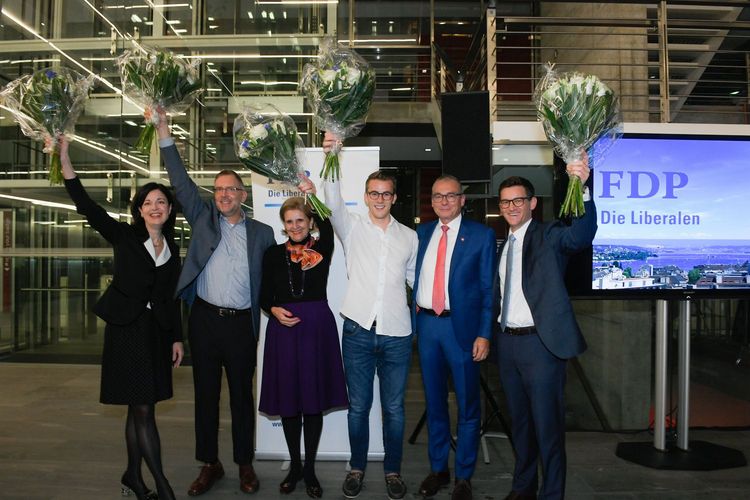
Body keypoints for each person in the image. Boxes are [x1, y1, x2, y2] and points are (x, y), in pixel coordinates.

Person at [155, 112, 276, 496]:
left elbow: (275, 279)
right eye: (219, 190)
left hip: (242, 325)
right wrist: (163, 131)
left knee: (242, 397)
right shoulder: (202, 217)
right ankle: (210, 463)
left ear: (243, 195)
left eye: (231, 190)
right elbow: (180, 180)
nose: (224, 195)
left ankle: (244, 464)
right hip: (204, 321)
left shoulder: (263, 233)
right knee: (205, 396)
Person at [60, 137, 183, 500]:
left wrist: (176, 337)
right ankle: (161, 484)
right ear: (139, 210)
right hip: (127, 330)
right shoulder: (124, 236)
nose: (155, 207)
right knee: (143, 408)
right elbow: (86, 205)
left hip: (155, 333)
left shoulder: (173, 247)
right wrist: (64, 157)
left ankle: (133, 475)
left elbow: (170, 296)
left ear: (170, 209)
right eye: (148, 203)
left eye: (161, 202)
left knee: (139, 407)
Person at [299, 133, 418, 500]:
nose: (380, 199)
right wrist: (331, 154)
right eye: (374, 193)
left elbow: (417, 282)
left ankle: (393, 471)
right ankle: (357, 468)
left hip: (397, 334)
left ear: (394, 198)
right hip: (358, 332)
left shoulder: (410, 237)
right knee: (359, 409)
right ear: (366, 197)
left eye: (386, 194)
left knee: (394, 409)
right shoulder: (349, 227)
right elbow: (332, 198)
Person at [495, 158, 596, 500]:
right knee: (520, 425)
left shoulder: (549, 235)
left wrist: (582, 188)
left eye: (518, 200)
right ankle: (523, 487)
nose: (511, 207)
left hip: (541, 346)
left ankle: (552, 494)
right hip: (508, 345)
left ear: (532, 203)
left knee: (547, 428)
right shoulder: (503, 245)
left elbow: (580, 235)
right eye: (505, 202)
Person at [257, 197, 348, 499]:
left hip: (316, 329)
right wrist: (273, 310)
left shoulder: (322, 248)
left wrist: (311, 196)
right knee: (289, 399)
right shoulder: (272, 254)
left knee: (312, 399)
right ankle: (295, 467)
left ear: (310, 222)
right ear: (283, 225)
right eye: (289, 221)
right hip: (283, 330)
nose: (295, 226)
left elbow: (328, 224)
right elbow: (263, 295)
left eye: (300, 220)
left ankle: (309, 470)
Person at [412, 175, 496, 500]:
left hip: (462, 330)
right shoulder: (421, 234)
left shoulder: (481, 235)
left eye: (451, 195)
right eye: (438, 196)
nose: (444, 201)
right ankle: (438, 470)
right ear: (431, 201)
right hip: (428, 328)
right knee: (434, 404)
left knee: (467, 406)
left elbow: (488, 289)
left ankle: (463, 476)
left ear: (462, 200)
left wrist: (484, 333)